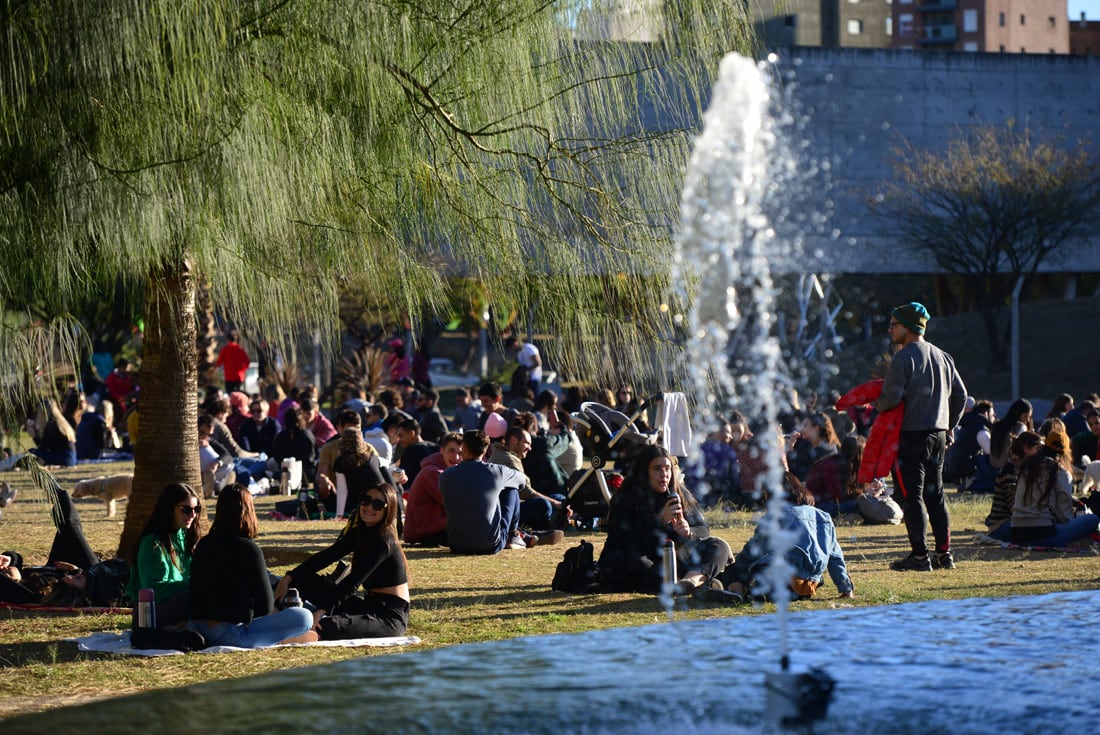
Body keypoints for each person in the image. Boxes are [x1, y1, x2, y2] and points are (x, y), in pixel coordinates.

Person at [876, 302, 967, 572]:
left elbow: (890, 398)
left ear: (909, 326)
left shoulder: (903, 357)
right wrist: (949, 426)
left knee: (910, 495)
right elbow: (961, 395)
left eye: (894, 324)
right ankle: (944, 555)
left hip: (911, 436)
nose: (890, 329)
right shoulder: (943, 356)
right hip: (938, 435)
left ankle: (918, 557)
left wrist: (876, 405)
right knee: (936, 495)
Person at [598, 445, 737, 602]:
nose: (664, 475)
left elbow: (703, 529)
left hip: (673, 560)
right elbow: (623, 540)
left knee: (718, 546)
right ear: (645, 472)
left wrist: (689, 532)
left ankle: (690, 583)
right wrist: (659, 521)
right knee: (637, 564)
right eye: (657, 469)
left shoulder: (678, 493)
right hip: (643, 560)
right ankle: (703, 585)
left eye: (668, 468)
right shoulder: (627, 496)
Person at [276, 483, 410, 639]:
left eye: (378, 504)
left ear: (388, 510)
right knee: (300, 579)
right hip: (367, 604)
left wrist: (323, 610)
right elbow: (325, 557)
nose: (369, 507)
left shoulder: (383, 540)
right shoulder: (360, 532)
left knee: (326, 625)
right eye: (366, 500)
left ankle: (293, 634)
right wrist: (289, 577)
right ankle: (275, 615)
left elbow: (352, 582)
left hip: (390, 617)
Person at [187, 485, 316, 647]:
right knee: (304, 617)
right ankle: (280, 637)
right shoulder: (248, 549)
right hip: (228, 633)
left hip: (196, 628)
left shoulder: (204, 544)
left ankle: (277, 636)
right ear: (247, 512)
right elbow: (265, 606)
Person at [719, 473, 855, 601]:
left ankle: (736, 592)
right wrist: (846, 589)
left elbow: (754, 550)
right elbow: (835, 557)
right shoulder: (823, 517)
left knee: (738, 569)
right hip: (809, 586)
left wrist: (736, 569)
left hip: (780, 582)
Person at [126, 483, 205, 627]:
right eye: (186, 510)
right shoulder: (151, 542)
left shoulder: (185, 535)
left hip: (177, 604)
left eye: (196, 509)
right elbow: (152, 590)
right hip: (149, 613)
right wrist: (195, 583)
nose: (193, 515)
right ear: (169, 509)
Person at [439, 430, 530, 554]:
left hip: (456, 544)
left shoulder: (445, 476)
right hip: (490, 544)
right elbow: (522, 480)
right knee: (511, 489)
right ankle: (513, 535)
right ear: (485, 450)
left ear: (464, 448)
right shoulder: (497, 471)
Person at [1010, 429, 1100, 547]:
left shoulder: (1026, 467)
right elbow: (1064, 516)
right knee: (1093, 519)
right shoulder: (1059, 471)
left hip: (1016, 533)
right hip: (1043, 534)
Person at [404, 432, 463, 546]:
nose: (456, 457)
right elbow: (454, 505)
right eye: (451, 451)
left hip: (435, 529)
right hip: (427, 533)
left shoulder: (445, 472)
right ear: (442, 451)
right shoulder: (433, 473)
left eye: (460, 453)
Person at [984, 431, 1042, 541]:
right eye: (1038, 449)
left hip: (1011, 522)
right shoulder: (1010, 471)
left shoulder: (1023, 470)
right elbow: (1014, 507)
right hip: (1001, 526)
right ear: (1026, 448)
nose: (1040, 454)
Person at [806, 434, 864, 516]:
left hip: (832, 502)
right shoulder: (831, 465)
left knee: (868, 501)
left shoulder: (847, 465)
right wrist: (862, 495)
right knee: (860, 504)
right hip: (821, 505)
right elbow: (836, 496)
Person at [272, 406, 318, 479]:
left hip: (285, 472)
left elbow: (276, 456)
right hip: (305, 473)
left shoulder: (280, 436)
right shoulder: (307, 435)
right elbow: (311, 457)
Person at [988, 399, 1033, 472]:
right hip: (1008, 471)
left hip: (992, 469)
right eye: (1025, 416)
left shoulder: (997, 426)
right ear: (1017, 414)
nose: (1028, 420)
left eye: (1029, 417)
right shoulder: (1020, 427)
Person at [215, 329, 250, 393]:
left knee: (230, 395)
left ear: (228, 340)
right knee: (238, 394)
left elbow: (218, 363)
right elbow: (247, 363)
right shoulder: (241, 350)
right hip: (239, 377)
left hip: (229, 376)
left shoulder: (225, 350)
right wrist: (242, 370)